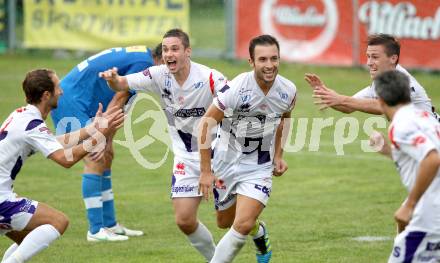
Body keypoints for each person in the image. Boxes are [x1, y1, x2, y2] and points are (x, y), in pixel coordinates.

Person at [99, 28, 227, 262]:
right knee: (184, 220)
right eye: (166, 49)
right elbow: (122, 84)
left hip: (219, 154)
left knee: (227, 221)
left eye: (175, 49)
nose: (169, 54)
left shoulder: (210, 78)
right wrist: (113, 80)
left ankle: (257, 230)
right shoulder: (157, 75)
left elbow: (234, 102)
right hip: (185, 158)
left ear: (187, 52)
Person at [0, 69, 124, 262]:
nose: (62, 92)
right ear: (46, 95)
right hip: (1, 199)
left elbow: (54, 142)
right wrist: (100, 134)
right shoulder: (32, 125)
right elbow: (66, 159)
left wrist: (92, 129)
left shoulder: (21, 115)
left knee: (26, 239)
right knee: (59, 221)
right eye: (58, 87)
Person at [198, 34, 297, 263]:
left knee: (241, 224)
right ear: (251, 62)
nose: (270, 65)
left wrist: (279, 155)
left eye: (274, 58)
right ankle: (259, 232)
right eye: (262, 59)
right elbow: (205, 124)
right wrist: (205, 171)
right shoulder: (235, 89)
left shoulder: (288, 91)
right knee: (225, 223)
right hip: (224, 159)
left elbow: (284, 119)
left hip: (259, 165)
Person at [50, 44, 163, 242]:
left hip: (85, 98)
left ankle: (110, 225)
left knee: (107, 155)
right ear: (161, 59)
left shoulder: (142, 56)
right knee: (95, 157)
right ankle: (95, 231)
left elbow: (119, 101)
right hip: (73, 100)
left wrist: (107, 137)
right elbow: (119, 98)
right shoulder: (145, 64)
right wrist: (101, 137)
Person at [368, 70, 440, 262]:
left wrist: (409, 205)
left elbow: (432, 158)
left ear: (380, 100)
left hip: (430, 218)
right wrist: (389, 150)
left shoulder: (401, 124)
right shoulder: (424, 117)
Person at [305, 34, 437, 118]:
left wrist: (340, 99)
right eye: (368, 57)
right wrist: (327, 95)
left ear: (393, 58)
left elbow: (383, 106)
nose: (369, 63)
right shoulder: (381, 81)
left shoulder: (403, 82)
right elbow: (348, 107)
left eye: (375, 57)